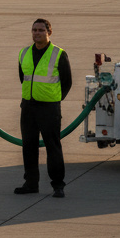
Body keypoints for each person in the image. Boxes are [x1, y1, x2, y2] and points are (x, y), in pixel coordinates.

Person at [17, 18, 73, 197]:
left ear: (49, 32)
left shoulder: (58, 54)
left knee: (53, 147)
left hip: (49, 108)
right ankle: (31, 183)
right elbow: (23, 77)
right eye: (34, 30)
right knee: (29, 147)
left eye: (40, 30)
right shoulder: (24, 53)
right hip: (28, 106)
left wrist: (54, 99)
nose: (37, 33)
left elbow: (67, 82)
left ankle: (58, 185)